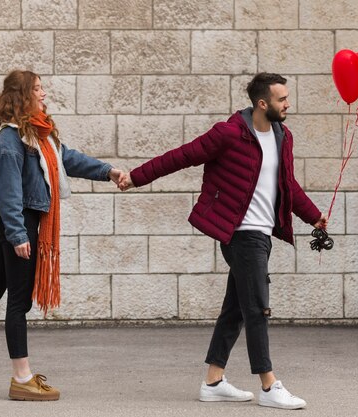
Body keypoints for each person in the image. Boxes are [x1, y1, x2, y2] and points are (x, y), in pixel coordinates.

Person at [119, 72, 327, 410]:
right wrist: (136, 177)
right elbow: (181, 155)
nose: (288, 103)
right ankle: (268, 384)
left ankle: (213, 381)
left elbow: (288, 185)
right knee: (258, 307)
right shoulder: (229, 134)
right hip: (241, 234)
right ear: (262, 104)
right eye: (281, 99)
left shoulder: (282, 136)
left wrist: (313, 215)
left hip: (262, 234)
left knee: (236, 309)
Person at [0, 70, 124, 401]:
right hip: (20, 224)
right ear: (22, 96)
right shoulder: (10, 140)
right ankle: (22, 377)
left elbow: (66, 160)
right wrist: (19, 235)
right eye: (37, 88)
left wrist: (108, 171)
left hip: (23, 221)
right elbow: (7, 193)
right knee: (19, 301)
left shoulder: (38, 134)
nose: (44, 93)